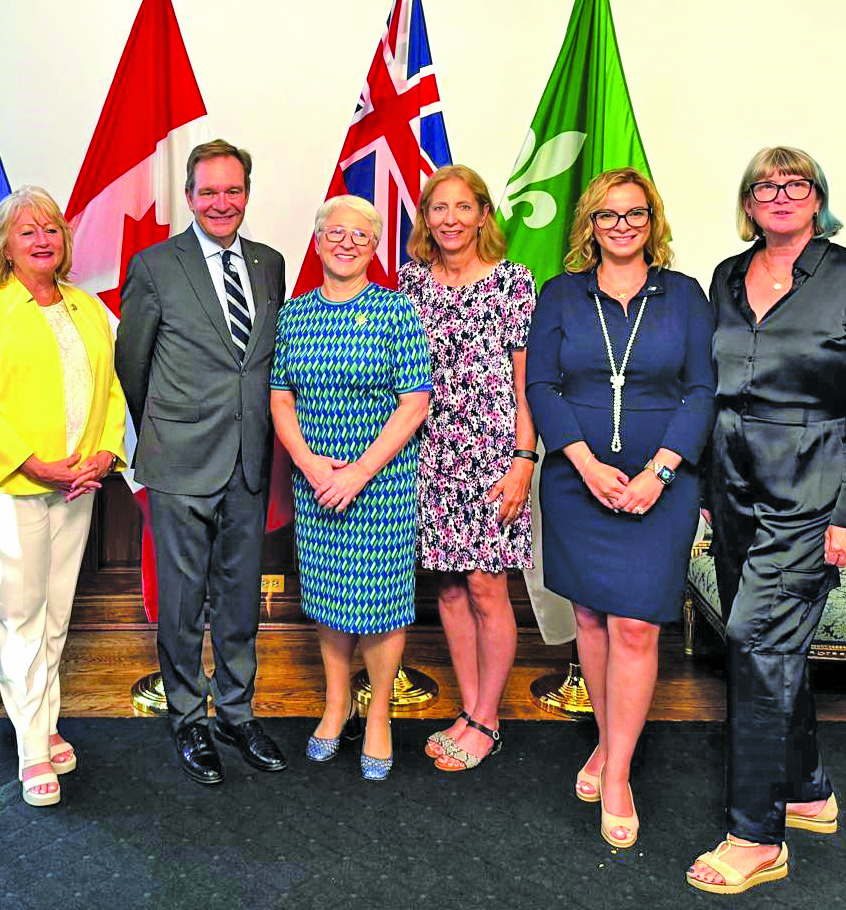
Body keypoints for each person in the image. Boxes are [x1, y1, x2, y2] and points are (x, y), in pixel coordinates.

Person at [687, 146, 846, 894]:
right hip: (736, 487)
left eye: (794, 185)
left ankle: (756, 837)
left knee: (753, 641)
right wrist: (709, 482)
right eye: (764, 187)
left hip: (813, 491)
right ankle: (808, 790)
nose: (779, 196)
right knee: (773, 647)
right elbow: (714, 389)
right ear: (748, 203)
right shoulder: (725, 276)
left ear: (817, 197)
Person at [525, 168, 715, 849]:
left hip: (662, 485)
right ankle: (607, 745)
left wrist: (659, 472)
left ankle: (620, 773)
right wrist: (583, 462)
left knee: (636, 626)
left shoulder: (685, 296)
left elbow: (701, 392)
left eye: (635, 214)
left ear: (652, 220)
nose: (623, 225)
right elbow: (542, 386)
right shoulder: (560, 295)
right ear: (590, 225)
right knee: (591, 619)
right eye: (609, 215)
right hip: (578, 485)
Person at [114, 139, 289, 785]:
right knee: (184, 601)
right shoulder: (155, 265)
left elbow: (265, 363)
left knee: (240, 599)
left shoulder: (271, 264)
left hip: (249, 458)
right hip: (181, 459)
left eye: (233, 190)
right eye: (209, 191)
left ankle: (236, 713)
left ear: (247, 193)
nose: (222, 202)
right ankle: (188, 717)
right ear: (189, 196)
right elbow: (131, 363)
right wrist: (168, 428)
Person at [0, 186, 127, 807]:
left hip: (79, 484)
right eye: (27, 231)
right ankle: (29, 751)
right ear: (5, 246)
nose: (42, 239)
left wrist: (103, 454)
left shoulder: (88, 310)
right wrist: (34, 464)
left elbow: (111, 392)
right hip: (10, 486)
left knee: (54, 616)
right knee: (19, 617)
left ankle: (44, 724)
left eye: (51, 228)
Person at [270, 195, 432, 781]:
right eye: (334, 233)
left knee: (383, 607)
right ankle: (336, 704)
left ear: (373, 247)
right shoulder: (295, 315)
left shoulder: (396, 313)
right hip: (315, 484)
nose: (345, 242)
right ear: (316, 242)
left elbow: (416, 401)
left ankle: (380, 714)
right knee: (329, 601)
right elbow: (280, 396)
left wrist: (359, 470)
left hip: (381, 483)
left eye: (359, 236)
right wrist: (312, 465)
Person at [397, 165, 536, 773]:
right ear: (425, 219)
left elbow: (527, 383)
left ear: (484, 214)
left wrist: (523, 461)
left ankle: (487, 717)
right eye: (437, 208)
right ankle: (471, 707)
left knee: (486, 585)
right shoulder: (408, 284)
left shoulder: (513, 283)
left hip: (490, 454)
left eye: (462, 207)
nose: (450, 219)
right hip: (425, 453)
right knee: (449, 587)